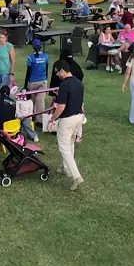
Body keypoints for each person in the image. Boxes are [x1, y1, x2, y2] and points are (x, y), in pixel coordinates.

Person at [49, 60, 86, 191]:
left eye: (57, 72)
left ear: (62, 71)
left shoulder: (64, 86)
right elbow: (82, 104)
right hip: (78, 117)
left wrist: (52, 119)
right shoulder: (79, 83)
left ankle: (76, 176)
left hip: (67, 119)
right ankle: (66, 168)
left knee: (64, 148)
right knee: (70, 144)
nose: (57, 75)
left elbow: (61, 107)